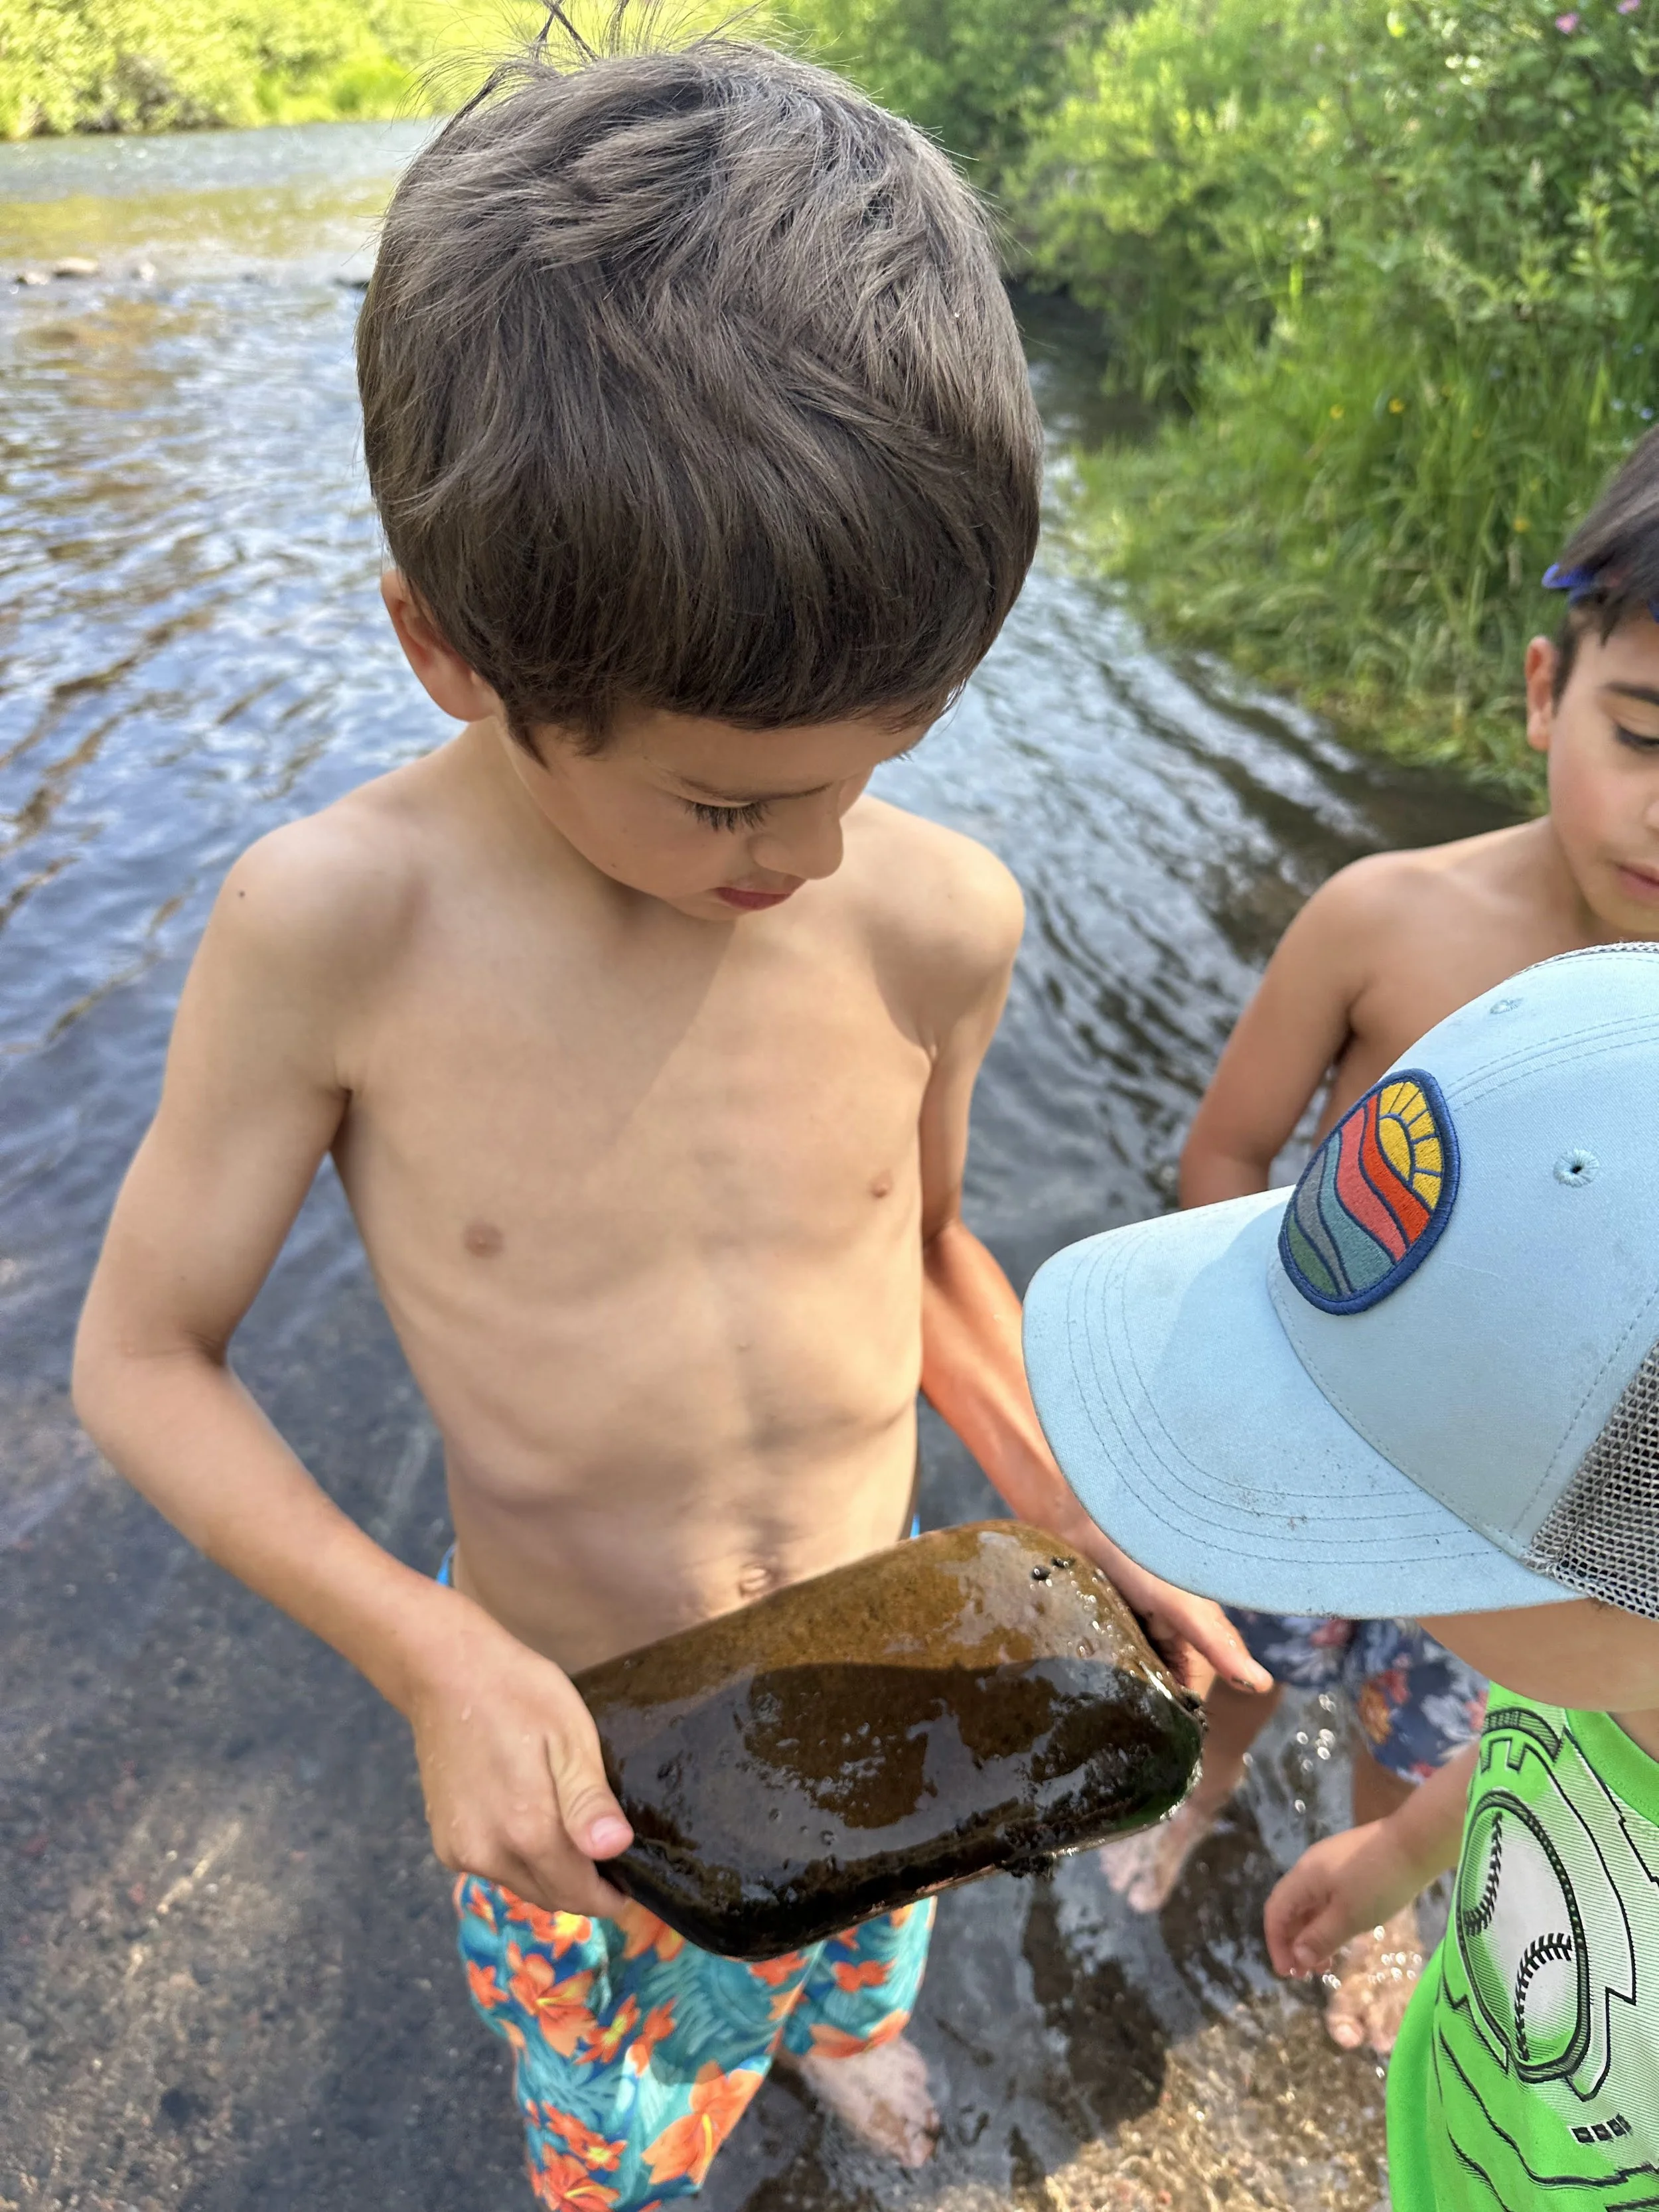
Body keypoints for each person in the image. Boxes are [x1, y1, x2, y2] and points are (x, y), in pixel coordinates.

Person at [69, 28, 1263, 2209]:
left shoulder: (934, 915)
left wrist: (1073, 1496)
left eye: (868, 769)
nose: (805, 856)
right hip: (576, 1733)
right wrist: (430, 1655)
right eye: (727, 798)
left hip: (882, 1651)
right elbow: (139, 1360)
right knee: (611, 2123)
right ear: (451, 651)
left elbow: (914, 1255)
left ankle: (843, 2038)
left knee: (851, 1955)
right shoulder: (334, 928)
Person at [1100, 428, 1659, 2057]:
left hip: (1520, 1519)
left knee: (1425, 1727)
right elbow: (1225, 1149)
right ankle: (1200, 1792)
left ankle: (1387, 1891)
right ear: (1544, 690)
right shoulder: (1382, 920)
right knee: (1241, 1655)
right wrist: (1221, 1382)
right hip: (1317, 1433)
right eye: (1640, 733)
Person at [1024, 939, 1659, 2204]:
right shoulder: (1613, 1669)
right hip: (1461, 2128)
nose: (1333, 1569)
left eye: (1383, 1511)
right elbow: (1551, 1745)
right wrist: (1400, 1856)